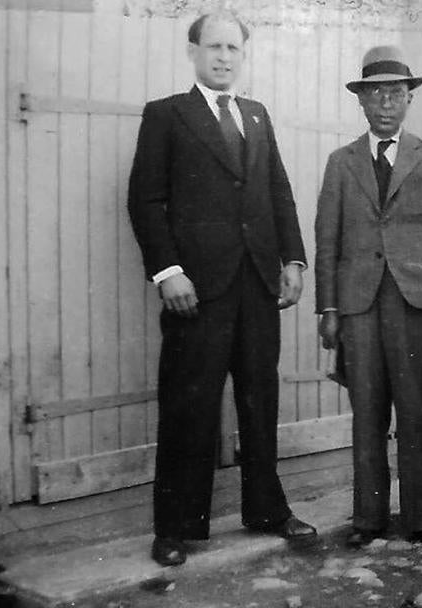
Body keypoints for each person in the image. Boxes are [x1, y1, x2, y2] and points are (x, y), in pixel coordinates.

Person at [128, 12, 318, 567]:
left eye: (233, 48)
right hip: (197, 289)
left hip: (257, 286)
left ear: (243, 54)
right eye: (214, 47)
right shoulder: (167, 115)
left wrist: (294, 260)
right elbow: (145, 200)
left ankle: (267, 510)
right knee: (189, 405)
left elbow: (278, 191)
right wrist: (168, 272)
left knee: (260, 401)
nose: (224, 57)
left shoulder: (256, 116)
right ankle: (176, 527)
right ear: (193, 51)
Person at [314, 46, 422, 551]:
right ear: (361, 101)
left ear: (409, 99)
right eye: (375, 93)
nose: (385, 103)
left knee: (417, 411)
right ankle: (369, 518)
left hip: (416, 302)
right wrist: (329, 309)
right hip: (358, 307)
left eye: (395, 93)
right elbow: (327, 240)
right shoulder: (341, 163)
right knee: (367, 413)